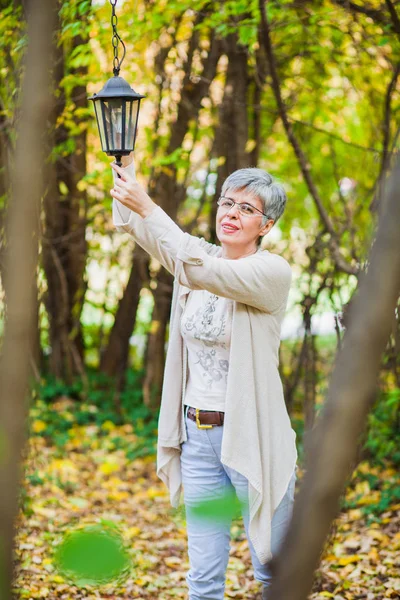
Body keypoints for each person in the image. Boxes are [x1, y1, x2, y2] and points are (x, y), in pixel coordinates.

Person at [110, 153, 298, 600]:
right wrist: (123, 169)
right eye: (226, 203)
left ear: (266, 226)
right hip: (198, 437)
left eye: (246, 209)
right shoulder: (197, 258)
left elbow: (205, 271)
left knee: (273, 569)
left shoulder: (270, 272)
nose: (231, 214)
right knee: (204, 578)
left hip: (252, 438)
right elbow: (139, 229)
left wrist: (151, 207)